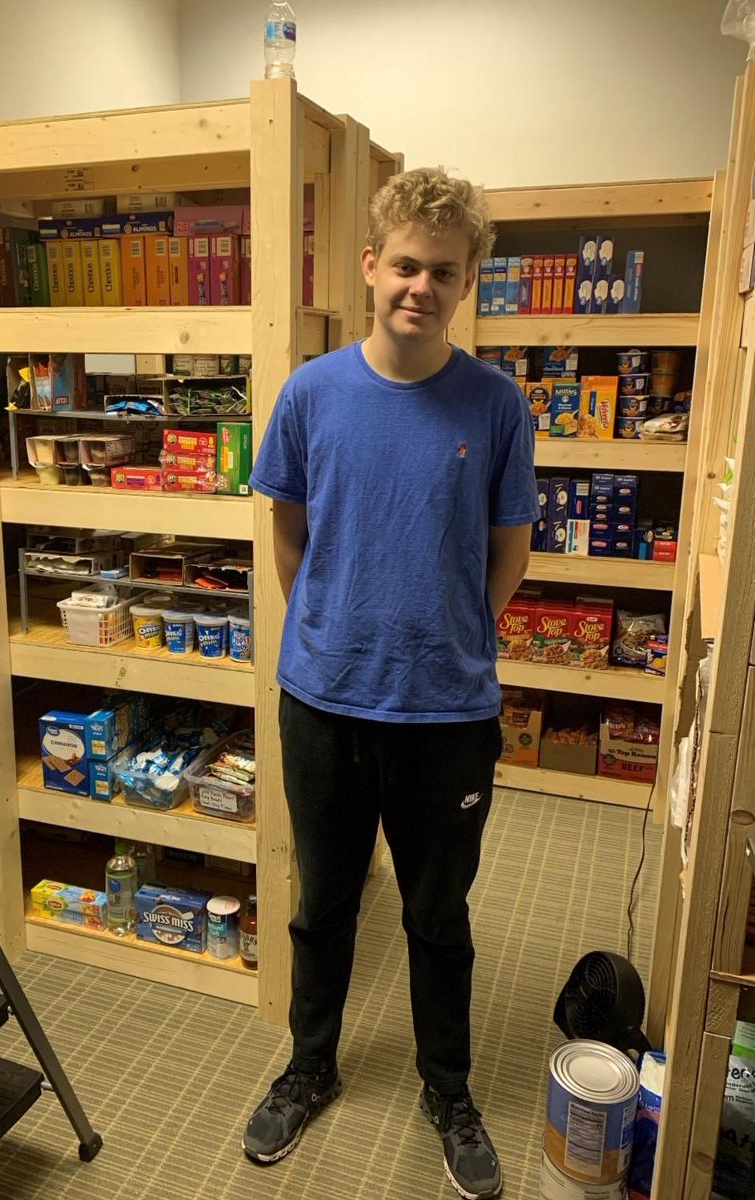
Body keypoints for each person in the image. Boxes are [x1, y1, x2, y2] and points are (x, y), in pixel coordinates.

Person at [241, 167, 539, 1200]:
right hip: (322, 698)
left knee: (435, 915)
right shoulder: (312, 392)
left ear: (467, 285)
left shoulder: (495, 404)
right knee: (322, 905)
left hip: (446, 711)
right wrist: (333, 623)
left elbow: (510, 549)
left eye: (442, 273)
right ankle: (308, 1066)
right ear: (370, 266)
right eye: (403, 265)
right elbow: (288, 529)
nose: (419, 285)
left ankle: (446, 1088)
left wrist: (453, 633)